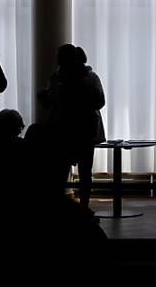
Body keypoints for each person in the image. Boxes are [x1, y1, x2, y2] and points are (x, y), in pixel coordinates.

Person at [40, 44, 106, 209]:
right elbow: (99, 101)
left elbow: (51, 101)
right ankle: (83, 207)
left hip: (63, 129)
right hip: (85, 130)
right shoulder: (89, 77)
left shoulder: (58, 78)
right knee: (84, 172)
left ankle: (62, 206)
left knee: (60, 171)